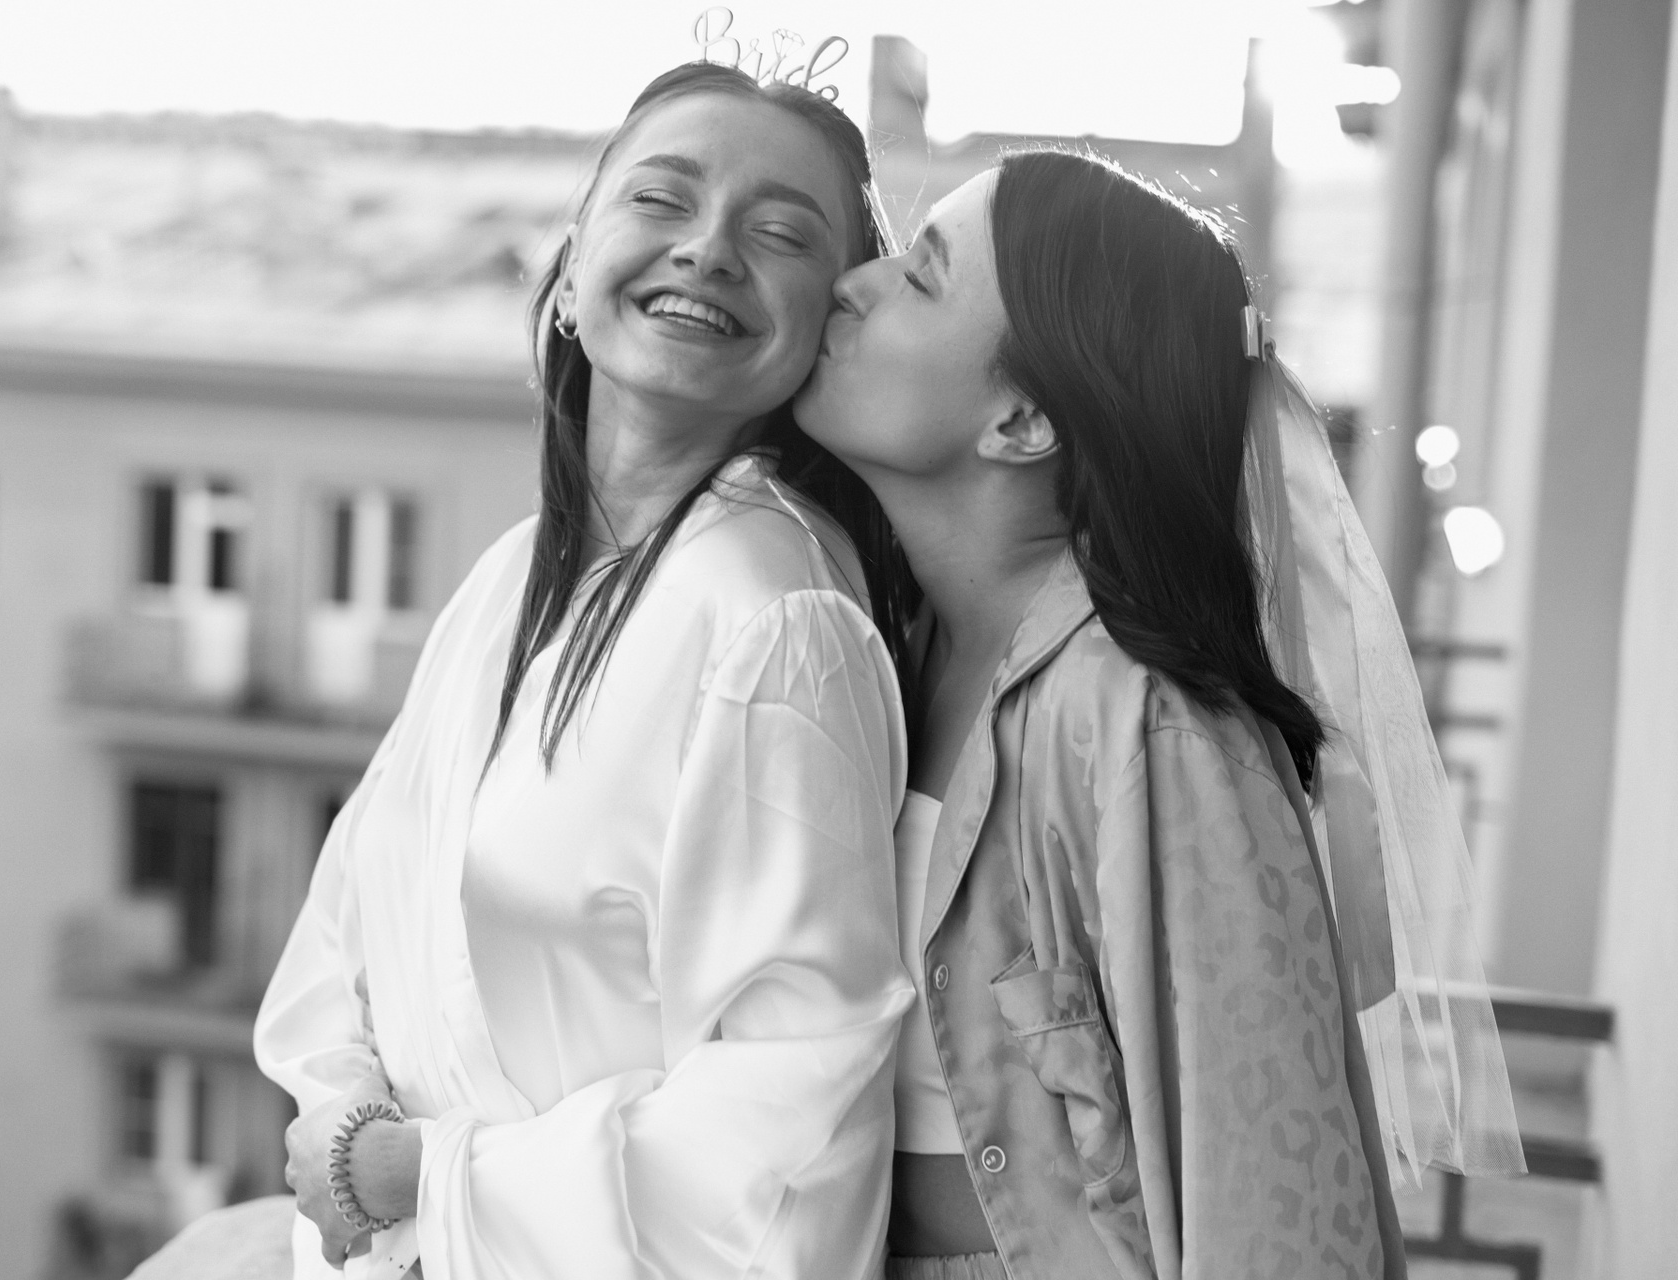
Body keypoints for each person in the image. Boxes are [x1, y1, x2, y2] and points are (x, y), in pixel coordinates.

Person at [795, 148, 1522, 1280]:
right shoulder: (880, 643)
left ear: (1023, 419)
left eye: (920, 278)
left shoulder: (1149, 718)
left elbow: (1270, 1191)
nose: (853, 283)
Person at [254, 62, 918, 1280]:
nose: (707, 249)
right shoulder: (508, 580)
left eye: (780, 233)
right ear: (568, 275)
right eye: (661, 198)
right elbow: (352, 916)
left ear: (828, 329)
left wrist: (420, 1177)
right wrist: (350, 1136)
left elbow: (795, 1125)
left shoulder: (778, 622)